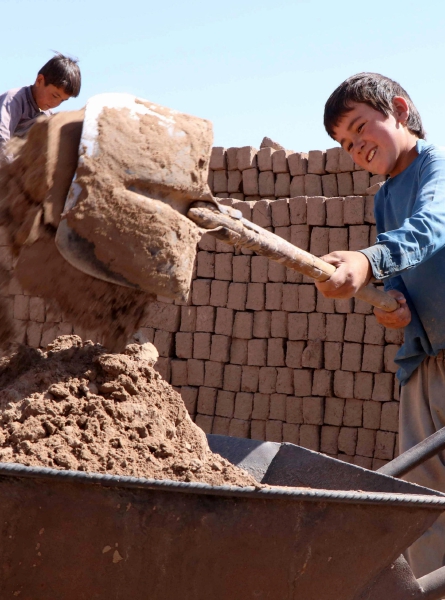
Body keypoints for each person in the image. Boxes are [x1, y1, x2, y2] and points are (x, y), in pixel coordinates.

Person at [318, 72, 445, 578]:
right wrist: (389, 301)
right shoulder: (384, 195)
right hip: (422, 363)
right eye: (346, 145)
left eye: (359, 129)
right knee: (420, 504)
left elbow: (431, 228)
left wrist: (367, 263)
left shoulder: (438, 167)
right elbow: (403, 278)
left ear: (397, 108)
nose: (356, 148)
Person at [0, 52, 81, 158]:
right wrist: (11, 171)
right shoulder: (14, 100)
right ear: (39, 80)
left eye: (62, 101)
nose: (56, 104)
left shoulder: (47, 116)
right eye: (55, 96)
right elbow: (2, 138)